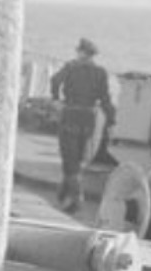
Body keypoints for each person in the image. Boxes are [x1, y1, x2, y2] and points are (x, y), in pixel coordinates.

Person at [49, 37, 115, 214]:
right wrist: (111, 120)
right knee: (78, 158)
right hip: (88, 119)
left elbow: (55, 80)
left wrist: (55, 99)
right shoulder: (101, 72)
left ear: (82, 53)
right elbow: (106, 99)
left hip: (70, 115)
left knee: (68, 156)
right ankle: (63, 192)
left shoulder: (71, 67)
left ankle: (77, 197)